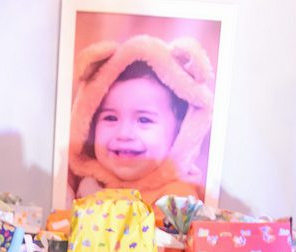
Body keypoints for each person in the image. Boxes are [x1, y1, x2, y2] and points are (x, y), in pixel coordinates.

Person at [68, 34, 214, 206]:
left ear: (179, 132)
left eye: (144, 120)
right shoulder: (78, 184)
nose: (124, 134)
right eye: (111, 117)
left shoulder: (177, 199)